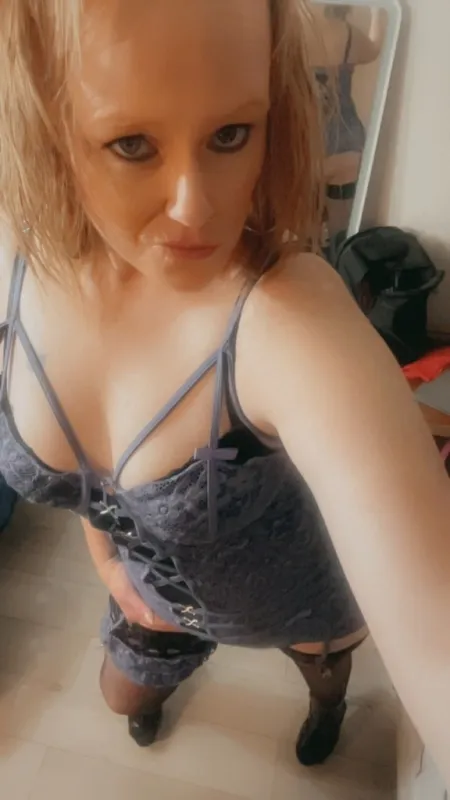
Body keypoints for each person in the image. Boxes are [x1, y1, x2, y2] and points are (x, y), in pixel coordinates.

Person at [0, 0, 449, 782]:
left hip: (298, 600)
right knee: (119, 696)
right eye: (132, 144)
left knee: (324, 679)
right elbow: (94, 489)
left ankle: (328, 701)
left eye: (232, 134)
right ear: (45, 119)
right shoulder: (15, 251)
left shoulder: (291, 320)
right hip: (150, 594)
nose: (196, 207)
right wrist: (108, 564)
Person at [307, 5, 384, 238]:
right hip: (346, 142)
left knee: (306, 234)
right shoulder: (347, 33)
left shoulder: (292, 31)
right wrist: (378, 11)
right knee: (342, 231)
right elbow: (374, 49)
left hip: (307, 146)